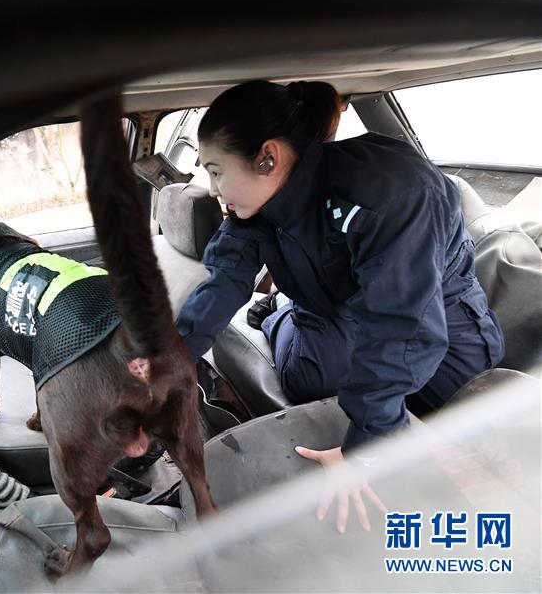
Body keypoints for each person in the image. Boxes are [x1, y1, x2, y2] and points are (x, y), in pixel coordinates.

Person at [176, 80, 505, 530]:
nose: (213, 188)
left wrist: (365, 447)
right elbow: (221, 285)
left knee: (471, 411)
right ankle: (278, 313)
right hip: (327, 311)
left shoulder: (388, 192)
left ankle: (278, 309)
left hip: (438, 314)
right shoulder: (253, 211)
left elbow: (403, 328)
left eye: (216, 171)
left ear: (267, 158)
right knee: (311, 379)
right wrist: (166, 365)